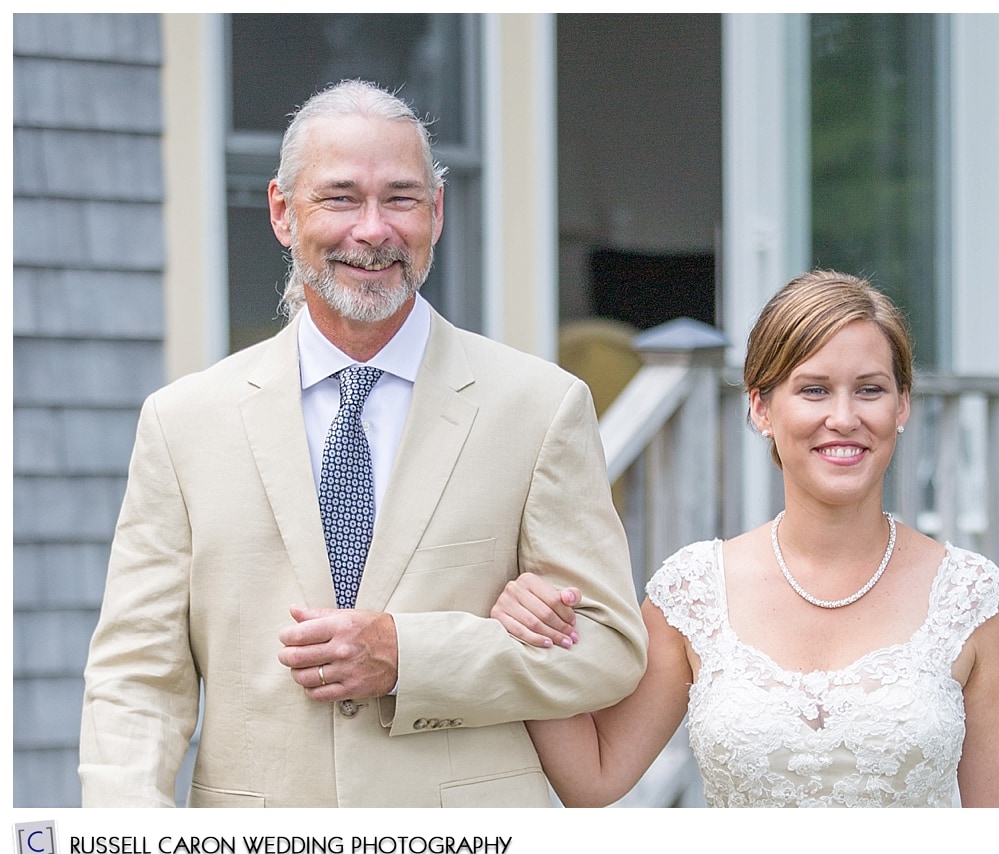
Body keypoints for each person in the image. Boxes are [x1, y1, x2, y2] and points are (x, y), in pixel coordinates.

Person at [78, 79, 647, 808]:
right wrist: (125, 840)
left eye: (401, 198)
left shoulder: (540, 407)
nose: (373, 229)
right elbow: (136, 677)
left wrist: (410, 657)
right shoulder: (183, 422)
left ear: (436, 213)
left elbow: (608, 649)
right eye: (341, 197)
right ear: (284, 212)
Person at [492, 270, 999, 808]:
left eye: (870, 390)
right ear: (760, 407)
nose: (844, 417)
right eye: (814, 390)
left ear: (901, 406)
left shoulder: (969, 596)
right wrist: (536, 635)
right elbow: (594, 777)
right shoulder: (695, 591)